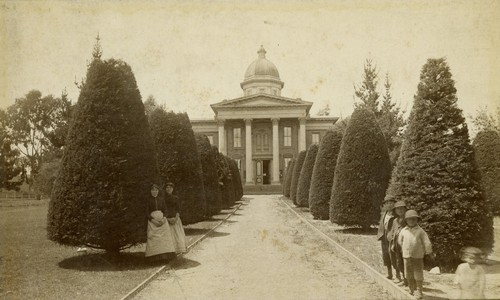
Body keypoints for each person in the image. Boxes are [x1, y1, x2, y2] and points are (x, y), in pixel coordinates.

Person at [398, 210, 434, 299]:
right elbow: (400, 241)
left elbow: (427, 242)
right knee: (408, 273)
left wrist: (428, 252)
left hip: (417, 256)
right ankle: (411, 289)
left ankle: (419, 291)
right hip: (406, 255)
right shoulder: (403, 231)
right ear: (406, 220)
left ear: (417, 220)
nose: (412, 221)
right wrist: (404, 248)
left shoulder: (420, 231)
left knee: (418, 273)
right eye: (409, 219)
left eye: (414, 219)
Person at [145, 184, 176, 263]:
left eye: (156, 190)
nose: (154, 192)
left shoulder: (161, 199)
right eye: (152, 190)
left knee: (164, 239)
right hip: (153, 222)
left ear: (158, 191)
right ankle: (155, 259)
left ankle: (165, 258)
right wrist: (153, 220)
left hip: (162, 221)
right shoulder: (148, 200)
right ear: (150, 191)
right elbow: (147, 213)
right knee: (154, 239)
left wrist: (164, 219)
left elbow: (165, 210)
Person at [165, 182, 187, 254]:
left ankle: (177, 250)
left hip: (175, 219)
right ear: (165, 189)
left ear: (173, 189)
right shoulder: (163, 198)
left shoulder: (176, 198)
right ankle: (170, 251)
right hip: (166, 219)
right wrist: (167, 219)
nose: (169, 189)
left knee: (177, 235)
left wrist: (176, 218)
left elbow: (178, 210)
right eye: (167, 187)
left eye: (170, 188)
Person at [389, 201, 407, 286]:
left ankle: (406, 278)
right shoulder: (395, 221)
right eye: (398, 209)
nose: (400, 210)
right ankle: (398, 276)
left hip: (404, 243)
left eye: (402, 208)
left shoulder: (407, 219)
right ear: (395, 211)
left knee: (405, 260)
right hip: (395, 243)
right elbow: (393, 232)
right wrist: (392, 242)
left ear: (405, 209)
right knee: (396, 260)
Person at [377, 197, 396, 280]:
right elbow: (381, 225)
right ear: (385, 205)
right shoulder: (384, 214)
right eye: (387, 203)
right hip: (384, 237)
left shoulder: (395, 215)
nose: (389, 205)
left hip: (392, 237)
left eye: (391, 203)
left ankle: (398, 275)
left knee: (394, 255)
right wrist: (380, 234)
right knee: (386, 255)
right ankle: (389, 273)